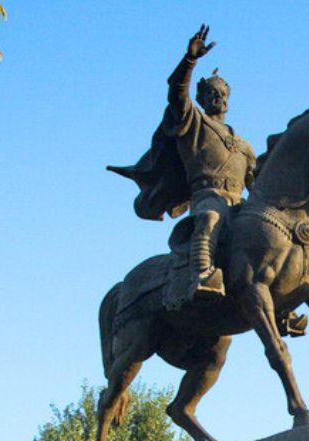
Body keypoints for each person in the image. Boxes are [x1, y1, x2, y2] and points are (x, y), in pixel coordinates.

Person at [108, 25, 256, 302]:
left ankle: (282, 297)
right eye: (212, 93)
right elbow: (176, 93)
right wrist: (190, 62)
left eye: (223, 94)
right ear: (200, 98)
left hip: (239, 205)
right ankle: (201, 273)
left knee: (268, 231)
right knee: (210, 218)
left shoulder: (245, 146)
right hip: (207, 197)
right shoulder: (194, 123)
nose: (219, 98)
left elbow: (256, 185)